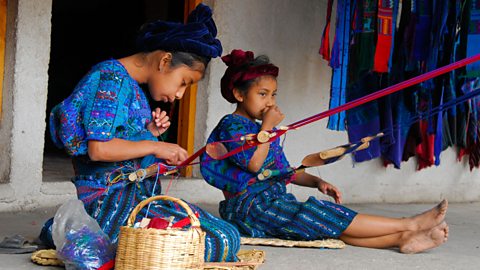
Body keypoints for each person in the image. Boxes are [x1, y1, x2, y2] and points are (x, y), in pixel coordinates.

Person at [40, 4, 240, 262]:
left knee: (226, 234)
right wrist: (155, 147)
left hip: (138, 197)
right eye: (183, 82)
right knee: (203, 243)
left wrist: (149, 133)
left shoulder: (132, 87)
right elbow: (99, 149)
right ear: (165, 60)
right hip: (108, 201)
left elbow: (123, 140)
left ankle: (70, 229)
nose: (180, 94)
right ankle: (72, 228)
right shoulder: (109, 80)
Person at [200, 49, 449, 254]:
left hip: (274, 203)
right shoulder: (231, 127)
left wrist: (317, 181)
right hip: (251, 209)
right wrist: (267, 128)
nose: (270, 102)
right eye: (262, 94)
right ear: (238, 94)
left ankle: (403, 239)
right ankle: (410, 223)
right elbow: (254, 166)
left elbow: (285, 173)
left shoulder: (261, 131)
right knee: (319, 213)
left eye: (273, 94)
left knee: (325, 224)